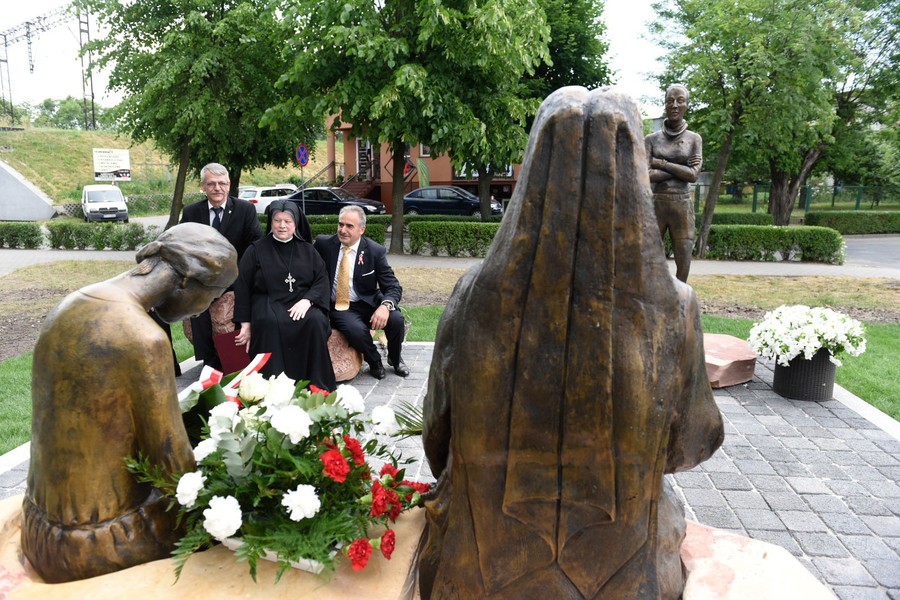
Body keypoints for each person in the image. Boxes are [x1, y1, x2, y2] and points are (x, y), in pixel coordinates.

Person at [416, 87, 723, 599]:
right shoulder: (675, 308)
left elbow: (436, 430)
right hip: (625, 571)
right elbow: (692, 441)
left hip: (479, 566)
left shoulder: (473, 294)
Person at [22, 223, 238, 583]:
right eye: (213, 298)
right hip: (97, 540)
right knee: (229, 518)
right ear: (187, 282)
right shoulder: (143, 338)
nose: (204, 310)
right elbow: (170, 464)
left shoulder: (71, 303)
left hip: (39, 524)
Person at [233, 200, 336, 391]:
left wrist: (308, 300)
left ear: (295, 223)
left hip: (301, 303)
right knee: (269, 322)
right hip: (267, 302)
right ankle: (271, 387)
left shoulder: (308, 250)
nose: (282, 226)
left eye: (287, 221)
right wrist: (245, 323)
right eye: (277, 220)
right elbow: (243, 286)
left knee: (315, 321)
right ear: (270, 222)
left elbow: (322, 280)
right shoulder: (255, 250)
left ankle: (315, 384)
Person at [180, 162, 263, 369]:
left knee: (229, 313)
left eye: (222, 183)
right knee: (197, 305)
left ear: (229, 185)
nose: (217, 188)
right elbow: (182, 246)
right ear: (203, 186)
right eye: (211, 184)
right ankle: (210, 362)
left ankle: (234, 363)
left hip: (236, 277)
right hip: (204, 279)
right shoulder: (191, 212)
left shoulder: (245, 209)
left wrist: (235, 273)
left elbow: (256, 245)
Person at [314, 206, 408, 379]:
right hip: (341, 305)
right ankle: (374, 361)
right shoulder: (323, 245)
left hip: (369, 302)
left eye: (349, 226)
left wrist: (385, 306)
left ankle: (395, 359)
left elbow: (393, 286)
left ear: (361, 229)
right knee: (356, 330)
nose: (343, 230)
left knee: (396, 319)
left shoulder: (375, 251)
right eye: (340, 224)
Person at [644, 84, 703, 282]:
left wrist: (661, 163)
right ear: (665, 104)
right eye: (670, 101)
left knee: (683, 254)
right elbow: (645, 174)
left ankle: (680, 294)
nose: (675, 105)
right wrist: (681, 168)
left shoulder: (694, 139)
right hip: (657, 203)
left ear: (687, 104)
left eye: (680, 100)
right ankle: (652, 293)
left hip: (682, 205)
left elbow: (692, 175)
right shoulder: (651, 140)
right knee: (650, 254)